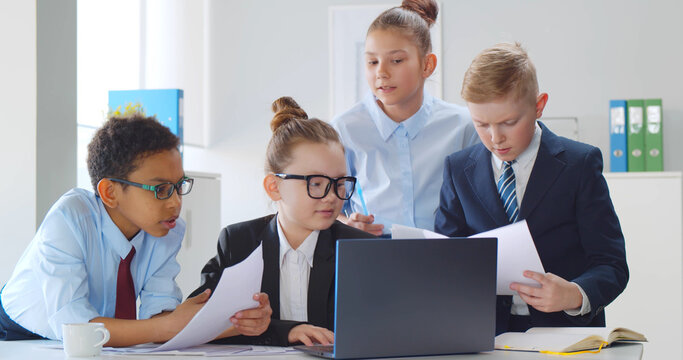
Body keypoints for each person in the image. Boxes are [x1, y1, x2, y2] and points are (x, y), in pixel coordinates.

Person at [0, 114, 272, 346]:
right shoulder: (70, 218)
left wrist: (233, 323)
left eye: (179, 186)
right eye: (161, 189)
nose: (176, 203)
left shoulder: (168, 231)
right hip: (20, 335)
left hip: (101, 339)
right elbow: (74, 327)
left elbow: (159, 318)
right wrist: (168, 326)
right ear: (110, 192)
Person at [434, 43, 629, 334]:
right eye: (481, 124)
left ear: (539, 106)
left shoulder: (580, 164)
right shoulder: (458, 169)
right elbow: (444, 260)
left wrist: (574, 294)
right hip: (483, 336)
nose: (495, 137)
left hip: (565, 335)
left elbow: (611, 264)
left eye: (509, 122)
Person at [190, 97, 373, 346]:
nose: (332, 197)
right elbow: (198, 321)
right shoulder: (238, 243)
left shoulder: (358, 248)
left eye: (340, 184)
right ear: (274, 187)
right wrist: (285, 331)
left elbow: (379, 329)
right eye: (316, 183)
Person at [332, 0, 479, 236]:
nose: (381, 72)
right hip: (372, 262)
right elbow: (326, 209)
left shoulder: (464, 126)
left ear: (427, 65)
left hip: (446, 262)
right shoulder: (342, 130)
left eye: (396, 60)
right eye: (372, 61)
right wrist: (347, 226)